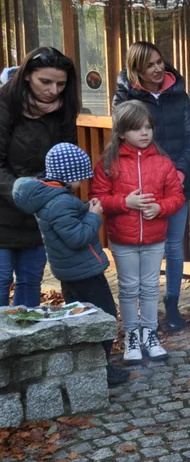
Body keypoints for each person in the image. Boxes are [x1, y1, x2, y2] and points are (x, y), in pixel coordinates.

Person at [12, 143, 129, 386]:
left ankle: (88, 365)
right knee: (103, 315)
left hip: (68, 271)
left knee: (80, 318)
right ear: (68, 177)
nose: (81, 184)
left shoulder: (49, 197)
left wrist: (84, 209)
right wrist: (94, 215)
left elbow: (65, 224)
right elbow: (76, 238)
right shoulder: (60, 202)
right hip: (82, 271)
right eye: (79, 179)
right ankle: (101, 368)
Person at [113, 41, 190, 331]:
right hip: (142, 184)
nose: (157, 68)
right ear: (136, 69)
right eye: (149, 65)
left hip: (177, 181)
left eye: (159, 61)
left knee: (174, 246)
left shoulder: (178, 93)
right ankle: (140, 310)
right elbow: (121, 141)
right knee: (145, 247)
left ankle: (172, 304)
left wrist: (181, 170)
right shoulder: (125, 95)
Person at [91, 101, 184, 365]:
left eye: (148, 127)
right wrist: (125, 202)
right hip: (123, 239)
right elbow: (97, 198)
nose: (145, 133)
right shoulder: (109, 163)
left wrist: (160, 207)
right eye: (136, 128)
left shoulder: (164, 163)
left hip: (155, 238)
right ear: (121, 132)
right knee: (129, 287)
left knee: (151, 286)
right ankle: (131, 334)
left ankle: (150, 333)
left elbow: (176, 196)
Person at [0, 47, 79, 307]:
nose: (53, 90)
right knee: (1, 281)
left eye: (60, 83)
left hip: (40, 213)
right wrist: (28, 194)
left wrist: (66, 184)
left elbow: (67, 158)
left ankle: (27, 346)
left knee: (31, 280)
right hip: (6, 208)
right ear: (26, 76)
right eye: (45, 82)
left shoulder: (64, 108)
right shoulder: (4, 103)